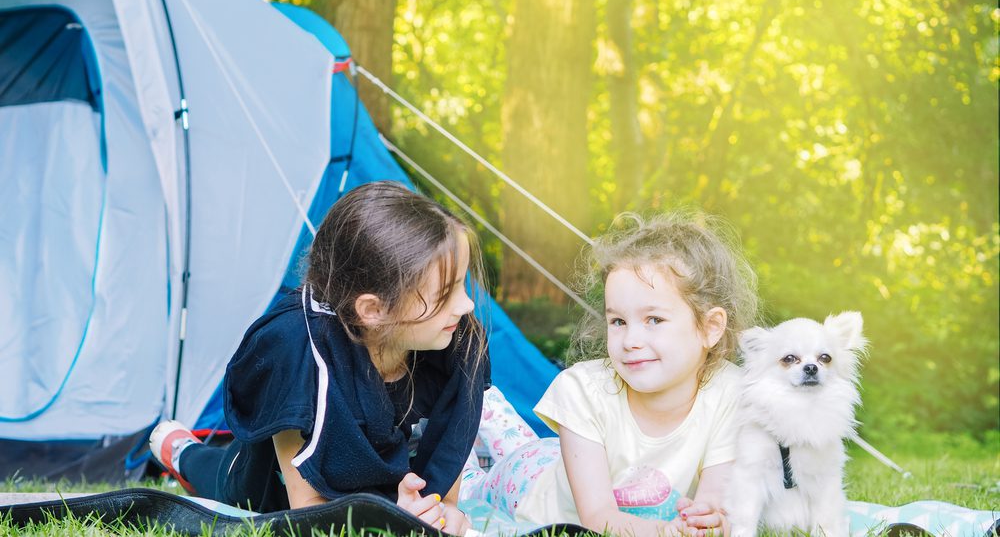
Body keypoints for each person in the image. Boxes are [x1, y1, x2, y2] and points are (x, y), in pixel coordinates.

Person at [150, 181, 489, 535]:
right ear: (372, 310)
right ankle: (181, 450)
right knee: (216, 472)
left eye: (462, 285)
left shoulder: (455, 338)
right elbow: (306, 511)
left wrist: (443, 510)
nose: (465, 305)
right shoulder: (294, 353)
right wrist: (389, 517)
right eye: (446, 293)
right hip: (271, 486)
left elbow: (443, 479)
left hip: (380, 480)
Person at [461, 209, 759, 537]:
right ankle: (481, 404)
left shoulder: (732, 394)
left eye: (654, 320)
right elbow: (598, 518)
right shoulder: (583, 388)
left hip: (569, 459)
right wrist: (666, 533)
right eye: (618, 321)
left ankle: (491, 412)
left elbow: (713, 505)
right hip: (528, 484)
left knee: (517, 441)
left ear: (711, 327)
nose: (630, 341)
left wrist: (708, 523)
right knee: (469, 485)